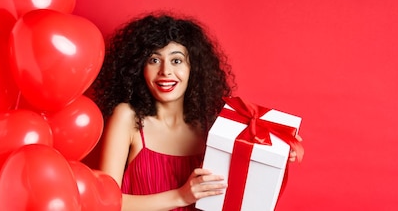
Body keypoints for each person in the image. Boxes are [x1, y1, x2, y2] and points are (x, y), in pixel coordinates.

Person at [90, 12, 300, 211]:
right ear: (138, 68)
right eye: (154, 60)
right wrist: (181, 196)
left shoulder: (214, 124)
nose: (165, 71)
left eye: (177, 60)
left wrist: (281, 152)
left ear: (194, 69)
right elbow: (106, 202)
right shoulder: (127, 117)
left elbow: (247, 186)